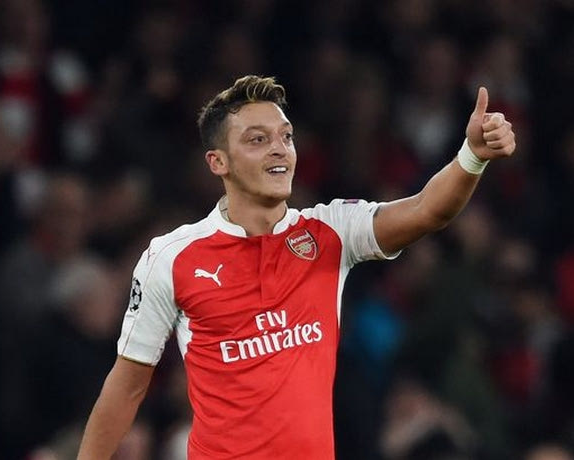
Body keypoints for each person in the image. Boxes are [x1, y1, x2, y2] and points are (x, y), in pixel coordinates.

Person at [77, 75, 516, 459]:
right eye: (257, 140)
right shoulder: (171, 257)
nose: (279, 149)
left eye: (285, 137)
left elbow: (426, 210)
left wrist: (472, 156)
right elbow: (127, 386)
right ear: (218, 162)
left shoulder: (331, 231)